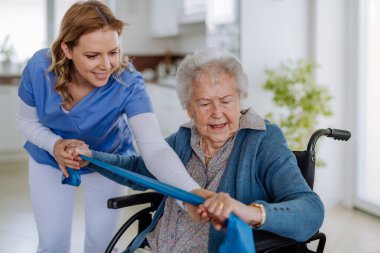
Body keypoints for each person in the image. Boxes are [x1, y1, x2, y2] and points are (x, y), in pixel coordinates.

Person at [73, 47, 325, 252]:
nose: (217, 113)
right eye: (204, 103)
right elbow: (137, 169)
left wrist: (248, 212)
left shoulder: (263, 140)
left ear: (241, 98)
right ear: (188, 108)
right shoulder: (183, 138)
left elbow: (310, 210)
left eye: (226, 101)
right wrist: (89, 157)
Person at [15, 1, 201, 252]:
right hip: (47, 159)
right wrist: (55, 144)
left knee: (102, 245)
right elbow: (26, 121)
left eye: (113, 52)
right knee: (51, 244)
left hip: (108, 161)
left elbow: (154, 146)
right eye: (92, 55)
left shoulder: (128, 82)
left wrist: (190, 193)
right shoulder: (39, 69)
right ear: (67, 49)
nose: (106, 65)